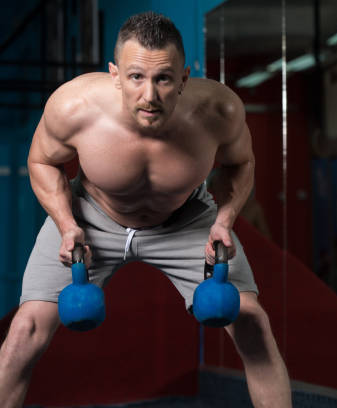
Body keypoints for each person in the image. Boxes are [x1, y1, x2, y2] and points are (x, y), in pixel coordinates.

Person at [0, 12, 291, 408]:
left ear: (184, 78)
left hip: (186, 219)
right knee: (24, 332)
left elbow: (242, 164)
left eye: (164, 79)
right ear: (115, 74)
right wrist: (67, 225)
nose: (149, 95)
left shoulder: (219, 112)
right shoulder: (73, 106)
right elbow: (41, 161)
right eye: (136, 77)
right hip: (90, 214)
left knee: (253, 323)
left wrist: (224, 220)